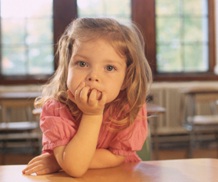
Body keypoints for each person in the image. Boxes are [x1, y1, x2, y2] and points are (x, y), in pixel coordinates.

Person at [22, 17, 152, 177]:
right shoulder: (56, 108)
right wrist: (92, 115)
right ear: (67, 66)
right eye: (82, 64)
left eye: (109, 67)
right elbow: (75, 167)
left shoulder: (129, 107)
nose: (94, 76)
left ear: (126, 79)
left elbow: (116, 157)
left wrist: (58, 161)